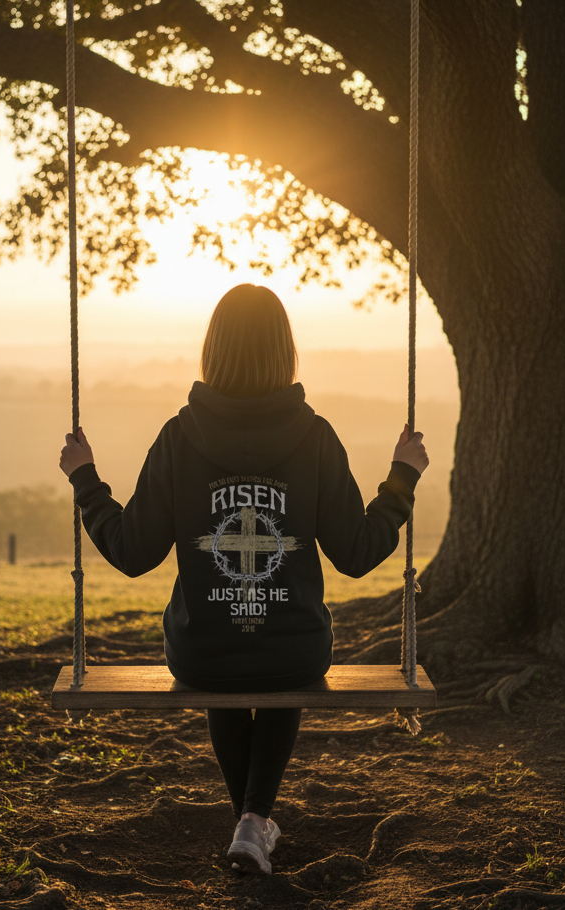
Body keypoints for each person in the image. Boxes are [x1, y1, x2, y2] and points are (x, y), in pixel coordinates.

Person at [60, 283, 428, 875]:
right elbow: (357, 552)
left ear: (213, 350)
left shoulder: (180, 437)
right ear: (286, 352)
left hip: (202, 652)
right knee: (279, 657)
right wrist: (402, 478)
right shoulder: (315, 437)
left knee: (227, 660)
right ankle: (254, 820)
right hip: (295, 650)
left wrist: (86, 481)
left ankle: (250, 823)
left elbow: (132, 551)